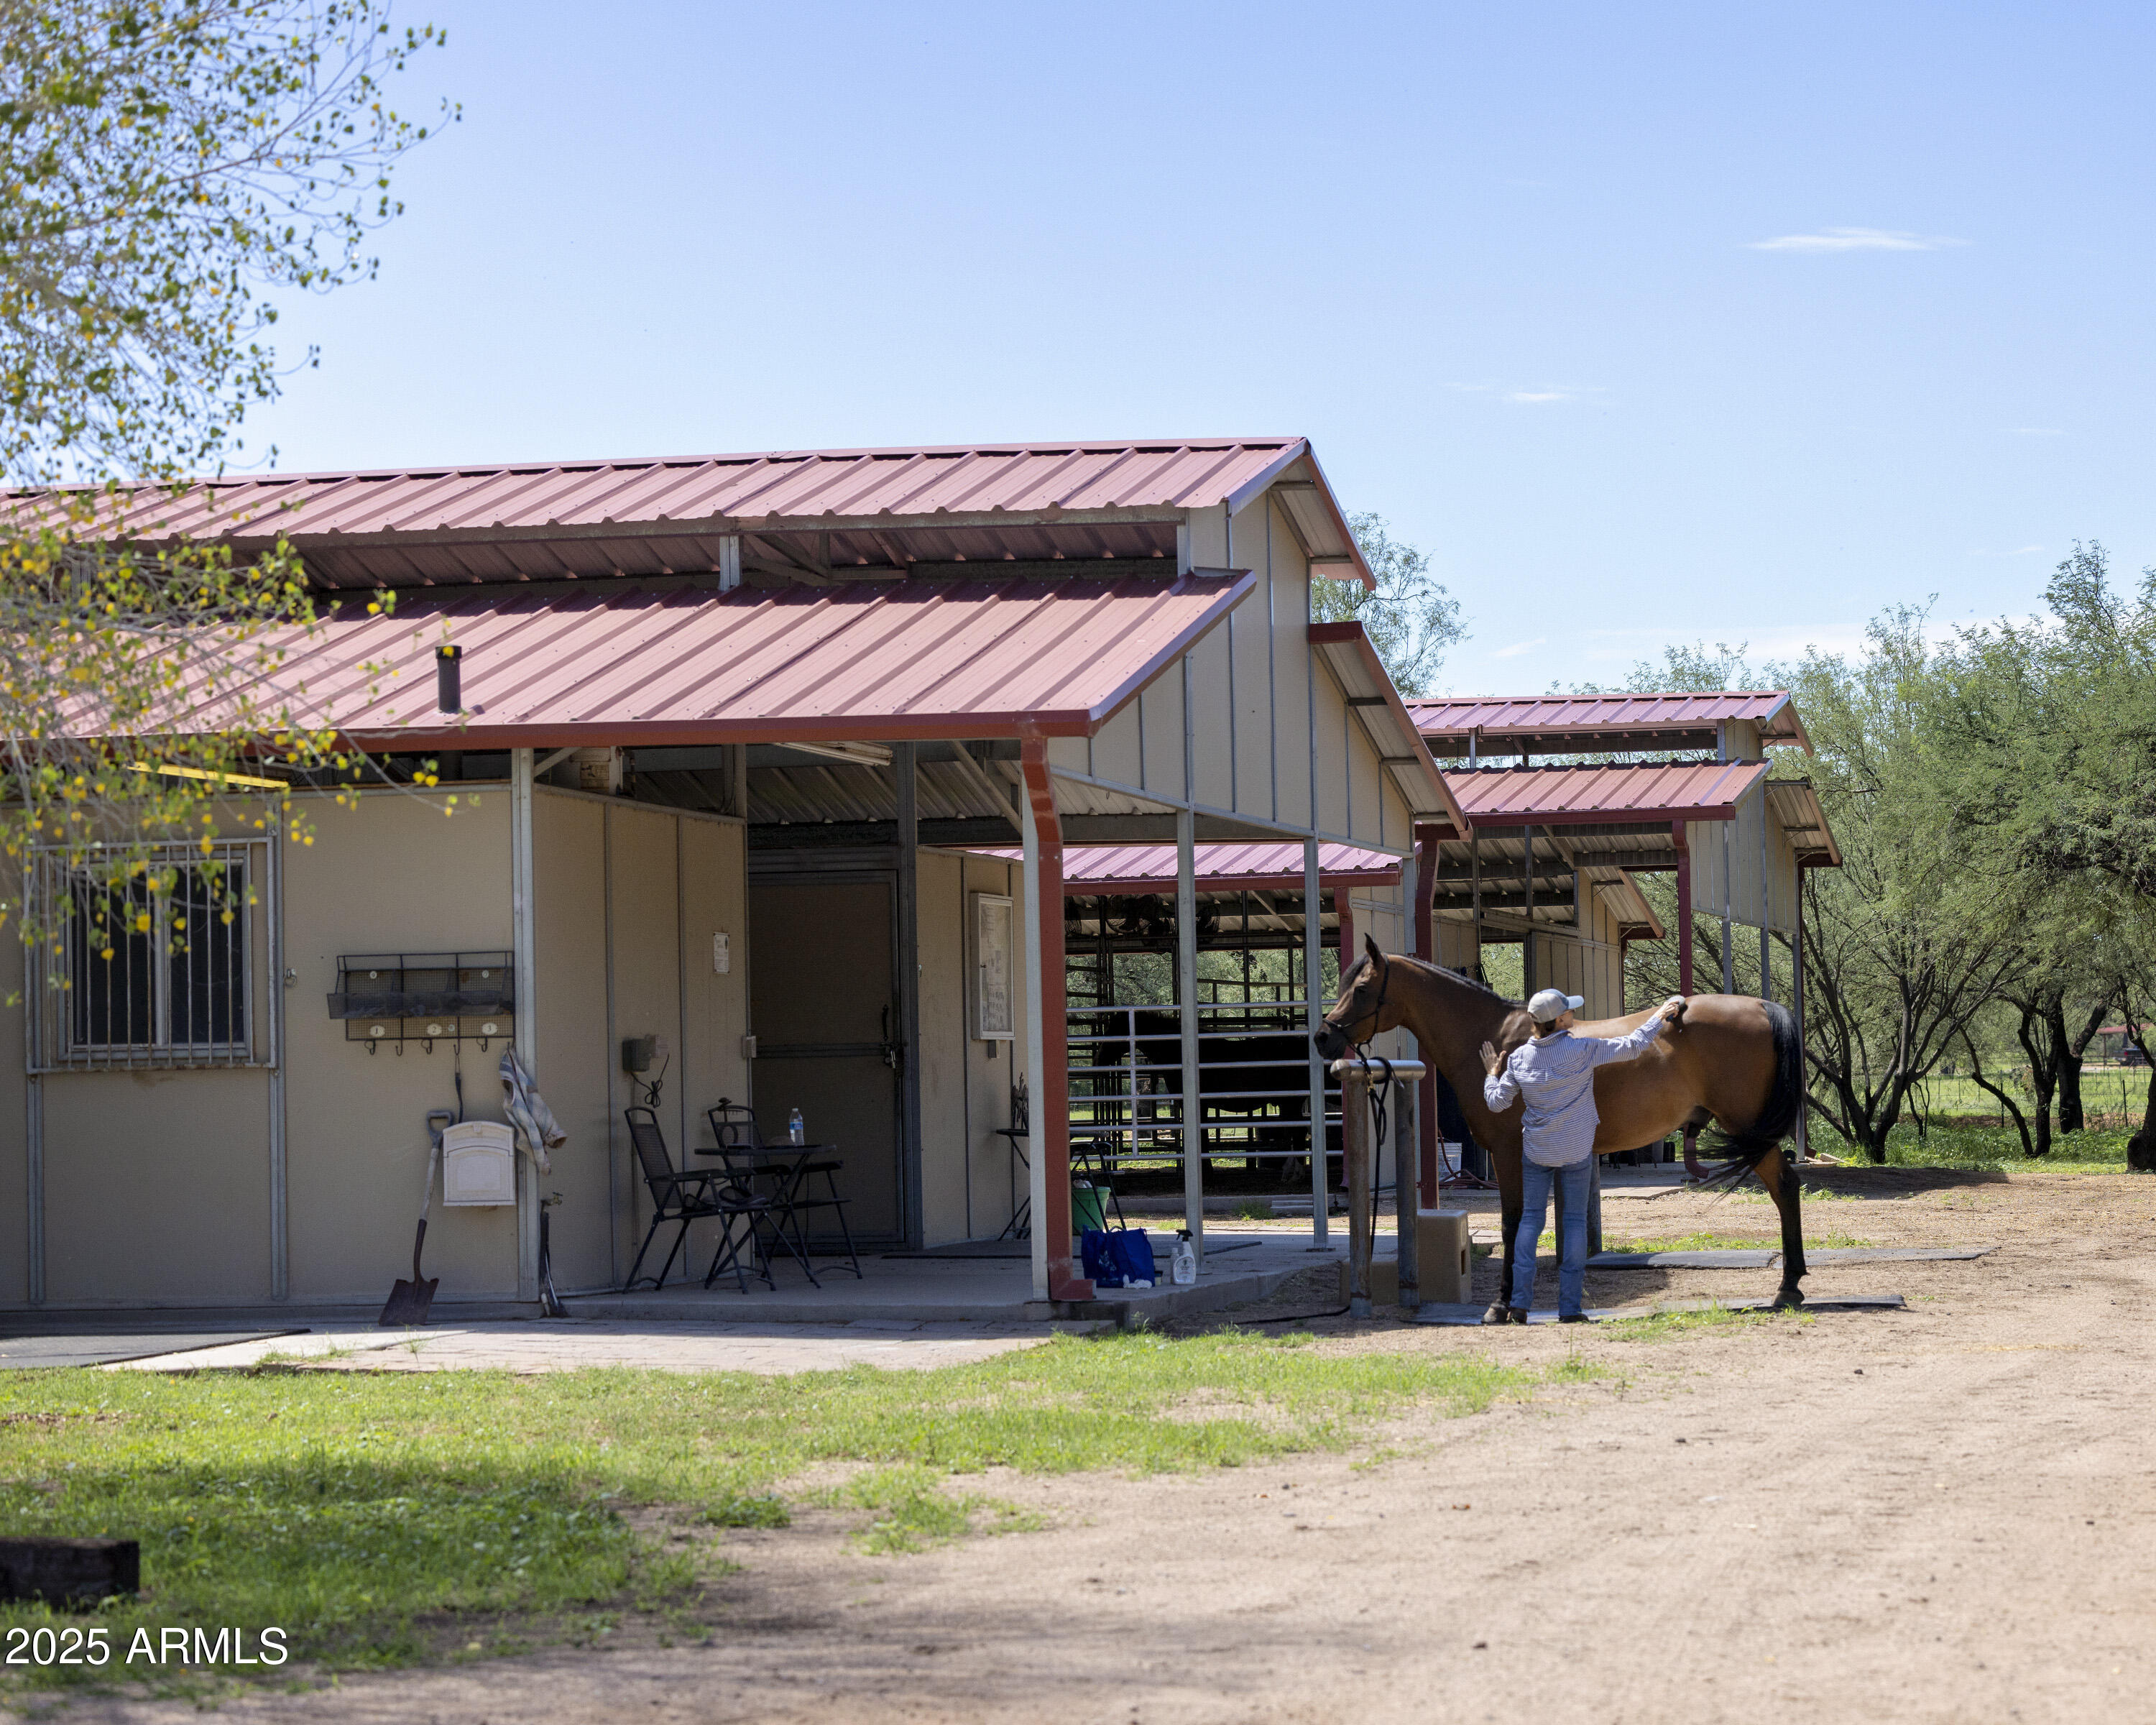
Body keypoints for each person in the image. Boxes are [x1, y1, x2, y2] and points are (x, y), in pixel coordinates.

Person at [1480, 988, 1685, 1325]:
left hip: (1538, 1150)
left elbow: (1497, 1102)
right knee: (1574, 1222)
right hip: (1576, 1149)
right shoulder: (1582, 1049)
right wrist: (1659, 1016)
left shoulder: (1518, 1059)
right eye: (1569, 1012)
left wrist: (1491, 1074)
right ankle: (1570, 1308)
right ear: (1559, 1020)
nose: (1574, 1016)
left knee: (1530, 1221)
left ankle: (1519, 1305)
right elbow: (1634, 1044)